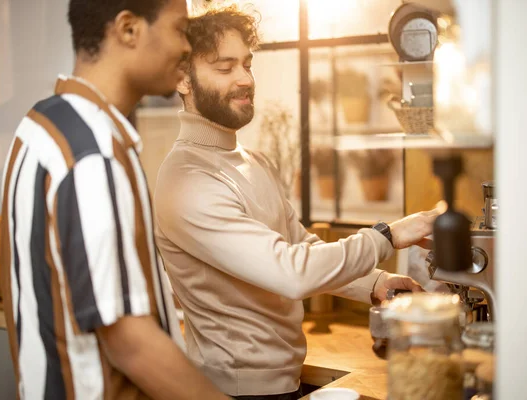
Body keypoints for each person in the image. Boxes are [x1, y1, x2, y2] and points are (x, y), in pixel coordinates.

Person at [153, 4, 441, 399]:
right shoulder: (186, 181)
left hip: (283, 380)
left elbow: (302, 248)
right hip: (235, 390)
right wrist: (387, 236)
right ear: (184, 79)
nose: (245, 79)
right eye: (224, 68)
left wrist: (377, 282)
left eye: (247, 64)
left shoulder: (254, 161)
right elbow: (292, 273)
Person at [0, 1, 229, 398]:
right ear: (128, 30)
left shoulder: (41, 124)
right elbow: (128, 342)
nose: (187, 47)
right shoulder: (94, 153)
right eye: (179, 29)